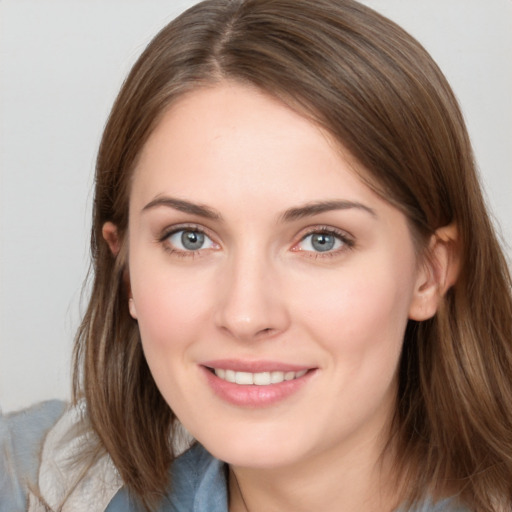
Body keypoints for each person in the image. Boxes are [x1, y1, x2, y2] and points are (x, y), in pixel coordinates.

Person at [2, 0, 511, 510]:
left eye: (322, 240)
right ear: (126, 269)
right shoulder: (32, 484)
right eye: (190, 238)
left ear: (430, 272)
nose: (246, 315)